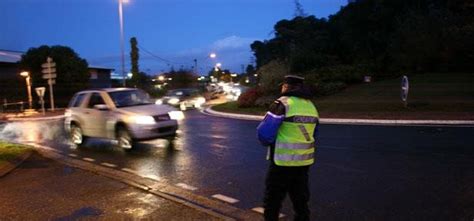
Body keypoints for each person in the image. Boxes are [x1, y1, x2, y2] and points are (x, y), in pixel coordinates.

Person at [257, 75, 319, 221]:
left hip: (281, 163)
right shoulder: (311, 106)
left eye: (283, 85)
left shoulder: (282, 104)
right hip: (303, 163)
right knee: (301, 202)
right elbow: (314, 133)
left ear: (286, 86)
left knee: (273, 201)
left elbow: (264, 134)